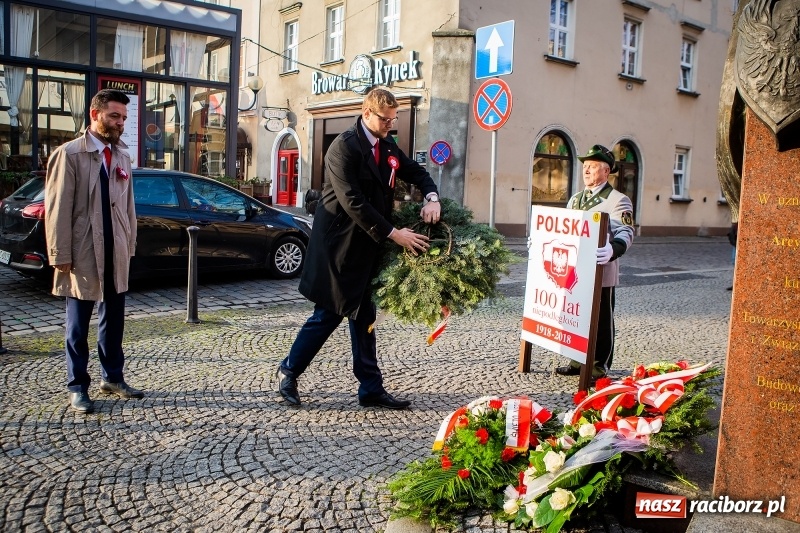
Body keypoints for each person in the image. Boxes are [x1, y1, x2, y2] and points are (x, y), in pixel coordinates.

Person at [277, 88, 441, 409]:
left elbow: (416, 172)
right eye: (385, 119)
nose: (390, 125)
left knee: (365, 317)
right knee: (329, 314)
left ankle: (370, 388)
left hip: (369, 247)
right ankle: (289, 371)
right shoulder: (343, 148)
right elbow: (354, 202)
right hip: (339, 249)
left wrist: (431, 197)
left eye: (394, 120)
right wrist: (395, 234)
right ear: (367, 113)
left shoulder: (387, 145)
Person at [45, 89, 142, 414]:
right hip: (83, 251)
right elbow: (57, 209)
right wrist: (60, 254)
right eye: (115, 116)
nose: (120, 123)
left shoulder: (123, 156)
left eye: (124, 118)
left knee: (113, 320)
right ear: (95, 114)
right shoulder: (70, 154)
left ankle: (112, 377)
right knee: (78, 324)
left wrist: (129, 244)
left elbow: (128, 207)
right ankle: (77, 386)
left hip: (115, 251)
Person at [555, 144, 635, 381]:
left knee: (600, 320)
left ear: (606, 171)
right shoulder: (575, 199)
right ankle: (576, 360)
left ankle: (599, 366)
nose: (586, 171)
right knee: (575, 315)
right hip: (574, 271)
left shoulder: (617, 200)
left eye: (592, 167)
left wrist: (614, 249)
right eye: (585, 167)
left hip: (602, 270)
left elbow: (626, 231)